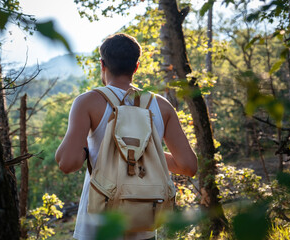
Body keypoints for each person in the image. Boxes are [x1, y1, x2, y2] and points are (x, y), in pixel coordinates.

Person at [55, 33, 197, 240]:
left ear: (102, 64)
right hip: (144, 225)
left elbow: (67, 164)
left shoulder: (88, 102)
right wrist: (144, 152)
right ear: (136, 66)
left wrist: (93, 149)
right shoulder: (162, 106)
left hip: (96, 227)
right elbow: (189, 166)